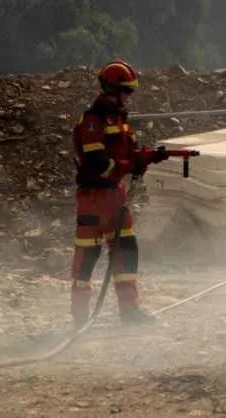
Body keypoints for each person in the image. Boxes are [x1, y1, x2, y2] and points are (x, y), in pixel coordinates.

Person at [70, 59, 168, 328]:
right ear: (112, 90)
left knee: (126, 249)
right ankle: (80, 318)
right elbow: (98, 163)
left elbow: (128, 155)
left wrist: (148, 157)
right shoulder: (92, 122)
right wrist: (129, 165)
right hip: (93, 198)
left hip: (116, 196)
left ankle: (130, 311)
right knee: (87, 257)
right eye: (125, 92)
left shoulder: (120, 122)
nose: (128, 98)